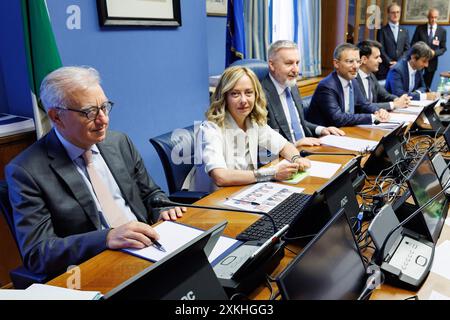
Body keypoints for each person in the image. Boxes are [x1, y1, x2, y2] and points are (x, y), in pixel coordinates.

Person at [5, 66, 186, 276]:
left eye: (105, 107)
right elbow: (38, 253)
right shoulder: (26, 171)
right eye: (89, 112)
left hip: (151, 248)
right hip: (97, 266)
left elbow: (152, 195)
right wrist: (107, 237)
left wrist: (163, 210)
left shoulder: (119, 142)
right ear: (56, 117)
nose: (103, 120)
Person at [183, 66, 310, 193]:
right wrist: (272, 173)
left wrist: (296, 159)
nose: (243, 100)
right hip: (210, 201)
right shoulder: (211, 129)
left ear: (256, 95)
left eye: (249, 92)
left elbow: (284, 146)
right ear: (224, 97)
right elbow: (220, 177)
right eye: (235, 94)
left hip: (242, 191)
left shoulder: (253, 122)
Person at [260, 40, 345, 148]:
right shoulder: (260, 96)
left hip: (308, 149)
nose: (296, 70)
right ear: (272, 65)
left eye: (297, 63)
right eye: (289, 63)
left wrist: (321, 129)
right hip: (285, 158)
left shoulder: (292, 85)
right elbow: (265, 147)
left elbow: (299, 122)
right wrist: (294, 145)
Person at [306, 43, 390, 127]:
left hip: (345, 131)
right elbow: (338, 118)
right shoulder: (327, 86)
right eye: (350, 61)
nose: (356, 66)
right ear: (336, 64)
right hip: (324, 136)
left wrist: (379, 111)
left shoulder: (353, 81)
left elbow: (364, 104)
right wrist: (372, 117)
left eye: (358, 61)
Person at [356, 40, 410, 110]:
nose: (380, 60)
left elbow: (385, 95)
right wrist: (393, 104)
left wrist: (397, 99)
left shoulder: (371, 75)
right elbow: (363, 106)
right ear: (364, 59)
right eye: (376, 57)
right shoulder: (354, 78)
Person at [411, 8, 447, 90]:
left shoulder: (442, 31)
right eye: (431, 17)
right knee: (415, 84)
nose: (433, 19)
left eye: (435, 17)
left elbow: (443, 48)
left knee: (427, 86)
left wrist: (434, 52)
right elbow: (413, 44)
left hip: (432, 63)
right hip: (419, 61)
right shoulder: (420, 28)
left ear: (437, 18)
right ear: (428, 17)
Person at [376, 3, 410, 80]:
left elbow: (407, 49)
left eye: (398, 12)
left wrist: (398, 63)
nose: (395, 15)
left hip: (400, 68)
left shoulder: (405, 31)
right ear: (388, 14)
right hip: (385, 69)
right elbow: (381, 49)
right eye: (393, 12)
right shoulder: (382, 31)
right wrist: (390, 62)